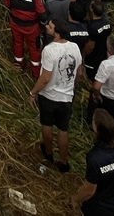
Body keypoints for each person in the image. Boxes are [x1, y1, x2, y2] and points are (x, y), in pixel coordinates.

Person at [30, 20, 82, 173]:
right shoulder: (75, 47)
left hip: (49, 95)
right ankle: (64, 162)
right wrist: (73, 86)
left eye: (51, 27)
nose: (47, 27)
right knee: (63, 130)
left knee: (47, 125)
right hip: (66, 97)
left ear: (57, 33)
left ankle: (48, 152)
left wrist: (33, 92)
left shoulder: (49, 50)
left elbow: (45, 78)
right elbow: (79, 73)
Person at [71, 109, 114, 216]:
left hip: (98, 209)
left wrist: (76, 199)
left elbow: (89, 190)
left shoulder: (95, 157)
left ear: (97, 130)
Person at [4, 0, 47, 76]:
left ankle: (19, 66)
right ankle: (36, 72)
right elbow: (41, 13)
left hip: (15, 23)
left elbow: (6, 5)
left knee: (17, 44)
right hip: (32, 27)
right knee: (34, 48)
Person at [83, 0, 113, 118]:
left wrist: (83, 55)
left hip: (93, 61)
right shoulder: (107, 23)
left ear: (91, 11)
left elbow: (90, 46)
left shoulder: (92, 27)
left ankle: (93, 113)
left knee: (95, 85)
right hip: (103, 58)